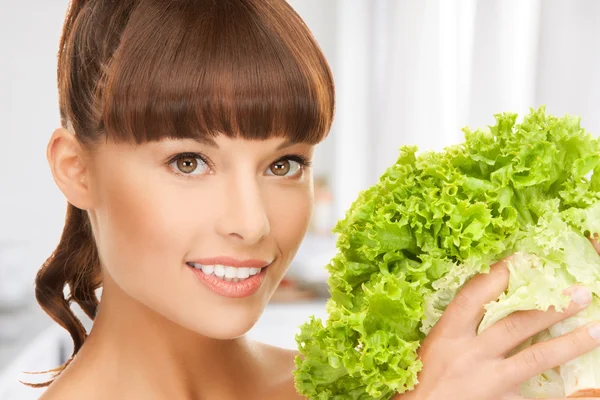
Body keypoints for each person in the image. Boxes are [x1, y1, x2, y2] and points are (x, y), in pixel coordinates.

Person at [34, 1, 600, 399]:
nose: (251, 223)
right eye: (189, 162)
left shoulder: (401, 386)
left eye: (284, 164)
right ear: (76, 170)